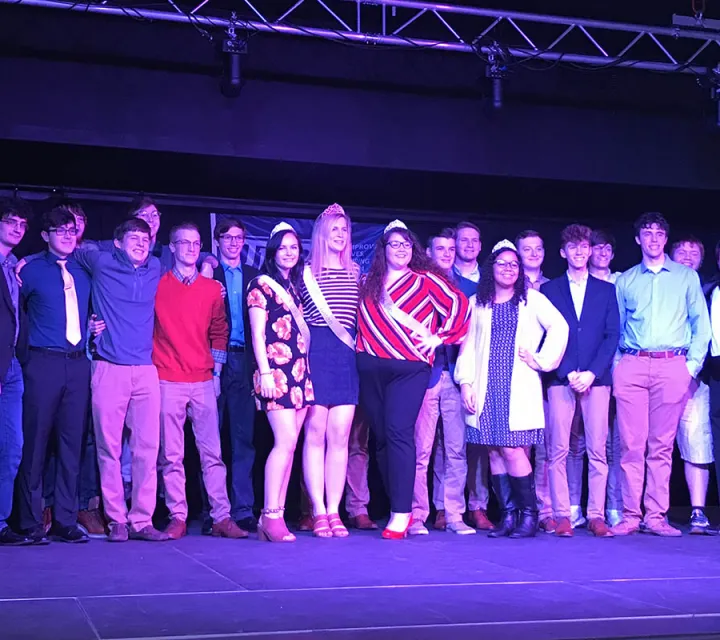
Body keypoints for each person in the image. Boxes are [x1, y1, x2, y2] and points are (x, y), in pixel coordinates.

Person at [51, 218, 170, 542]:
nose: (141, 244)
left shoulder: (156, 266)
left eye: (145, 239)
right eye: (133, 237)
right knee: (109, 448)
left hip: (145, 369)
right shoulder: (100, 260)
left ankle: (142, 520)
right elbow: (65, 253)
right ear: (117, 243)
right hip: (108, 368)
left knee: (148, 448)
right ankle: (116, 518)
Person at [357, 220, 469, 539]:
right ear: (383, 249)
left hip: (410, 369)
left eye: (407, 244)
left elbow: (460, 307)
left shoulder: (426, 281)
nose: (402, 249)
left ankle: (402, 514)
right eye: (395, 244)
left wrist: (440, 337)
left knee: (399, 432)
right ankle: (397, 502)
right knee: (381, 438)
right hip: (370, 367)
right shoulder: (367, 282)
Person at [456, 240, 568, 539]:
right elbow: (467, 348)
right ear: (491, 268)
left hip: (516, 386)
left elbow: (560, 327)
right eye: (502, 264)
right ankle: (507, 516)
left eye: (514, 264)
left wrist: (541, 359)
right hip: (486, 385)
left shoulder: (531, 299)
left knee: (513, 449)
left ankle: (528, 516)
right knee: (494, 450)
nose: (509, 269)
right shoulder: (478, 304)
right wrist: (466, 382)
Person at [612, 213, 710, 537]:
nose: (653, 239)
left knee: (662, 446)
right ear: (638, 239)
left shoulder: (685, 277)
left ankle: (656, 516)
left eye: (659, 233)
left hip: (672, 365)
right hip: (633, 364)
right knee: (630, 445)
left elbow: (702, 327)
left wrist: (690, 368)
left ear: (665, 239)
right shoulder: (626, 280)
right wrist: (618, 369)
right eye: (647, 233)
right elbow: (617, 328)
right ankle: (630, 515)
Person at [152, 223, 247, 540]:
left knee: (213, 455)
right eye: (185, 243)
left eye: (196, 243)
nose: (192, 248)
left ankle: (221, 516)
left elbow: (219, 331)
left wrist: (217, 374)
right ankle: (178, 515)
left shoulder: (210, 289)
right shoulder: (158, 284)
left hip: (204, 379)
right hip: (167, 378)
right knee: (172, 456)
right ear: (173, 246)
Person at [16, 208, 92, 544]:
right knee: (34, 444)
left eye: (71, 229)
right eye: (59, 230)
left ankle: (65, 519)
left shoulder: (85, 268)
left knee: (71, 444)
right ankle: (30, 520)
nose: (66, 235)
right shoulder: (30, 270)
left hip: (78, 363)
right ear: (45, 235)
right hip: (41, 362)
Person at [541, 224, 619, 538]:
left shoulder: (606, 290)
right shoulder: (550, 290)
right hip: (562, 378)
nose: (579, 252)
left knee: (598, 450)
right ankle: (562, 515)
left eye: (584, 246)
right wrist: (566, 372)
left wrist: (591, 373)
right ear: (563, 252)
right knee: (558, 450)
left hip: (596, 380)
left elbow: (611, 335)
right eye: (572, 247)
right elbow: (546, 336)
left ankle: (596, 515)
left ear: (590, 250)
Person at [247, 222, 314, 542]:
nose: (289, 253)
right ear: (272, 252)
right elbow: (257, 334)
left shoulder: (296, 286)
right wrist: (266, 372)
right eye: (283, 248)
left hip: (299, 373)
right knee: (283, 442)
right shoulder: (261, 285)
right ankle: (271, 514)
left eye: (294, 248)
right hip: (275, 371)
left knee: (291, 446)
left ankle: (273, 515)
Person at [300, 204, 359, 538]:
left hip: (346, 358)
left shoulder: (355, 271)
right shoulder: (307, 271)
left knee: (340, 436)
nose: (340, 235)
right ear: (322, 233)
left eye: (344, 229)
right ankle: (318, 510)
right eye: (334, 229)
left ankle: (335, 511)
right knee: (315, 433)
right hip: (316, 354)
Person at [412, 228, 474, 535]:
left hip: (458, 376)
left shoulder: (470, 289)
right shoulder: (417, 284)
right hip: (427, 375)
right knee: (421, 451)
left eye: (452, 248)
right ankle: (417, 515)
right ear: (428, 251)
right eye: (441, 248)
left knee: (455, 450)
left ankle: (454, 514)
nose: (448, 253)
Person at [210, 217, 259, 533]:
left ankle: (242, 509)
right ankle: (213, 511)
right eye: (227, 237)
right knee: (209, 440)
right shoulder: (207, 274)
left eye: (238, 237)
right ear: (217, 241)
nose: (233, 242)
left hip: (245, 360)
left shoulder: (256, 278)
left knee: (243, 439)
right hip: (212, 361)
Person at [445, 221, 493, 531]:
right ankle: (442, 507)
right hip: (444, 369)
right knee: (444, 447)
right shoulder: (445, 279)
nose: (470, 245)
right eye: (463, 240)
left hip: (480, 373)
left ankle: (478, 505)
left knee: (476, 446)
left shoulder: (489, 281)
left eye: (475, 240)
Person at [670, 236, 716, 534]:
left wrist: (692, 371)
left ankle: (698, 511)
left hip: (696, 378)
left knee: (697, 441)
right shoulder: (656, 287)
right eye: (681, 251)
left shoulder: (710, 290)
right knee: (648, 447)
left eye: (694, 252)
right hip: (655, 373)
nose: (687, 256)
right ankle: (646, 512)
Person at [515, 230, 554, 532]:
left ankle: (543, 509)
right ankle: (517, 507)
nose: (533, 253)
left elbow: (559, 331)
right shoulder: (505, 286)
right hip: (513, 378)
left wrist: (541, 360)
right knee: (515, 447)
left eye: (538, 248)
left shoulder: (553, 288)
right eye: (526, 249)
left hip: (546, 377)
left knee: (544, 448)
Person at [0, 198, 32, 546]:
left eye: (23, 224)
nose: (17, 228)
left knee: (11, 447)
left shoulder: (13, 268)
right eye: (11, 221)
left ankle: (0, 522)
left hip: (12, 367)